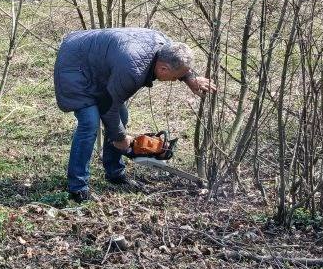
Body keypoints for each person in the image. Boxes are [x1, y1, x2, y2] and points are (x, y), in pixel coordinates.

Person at [53, 28, 217, 202]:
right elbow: (108, 107)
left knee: (121, 117)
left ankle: (114, 173)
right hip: (74, 64)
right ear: (163, 69)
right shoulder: (133, 71)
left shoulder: (164, 43)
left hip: (96, 62)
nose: (175, 80)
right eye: (176, 77)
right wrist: (120, 138)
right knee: (89, 123)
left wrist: (190, 78)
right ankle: (77, 188)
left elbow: (179, 57)